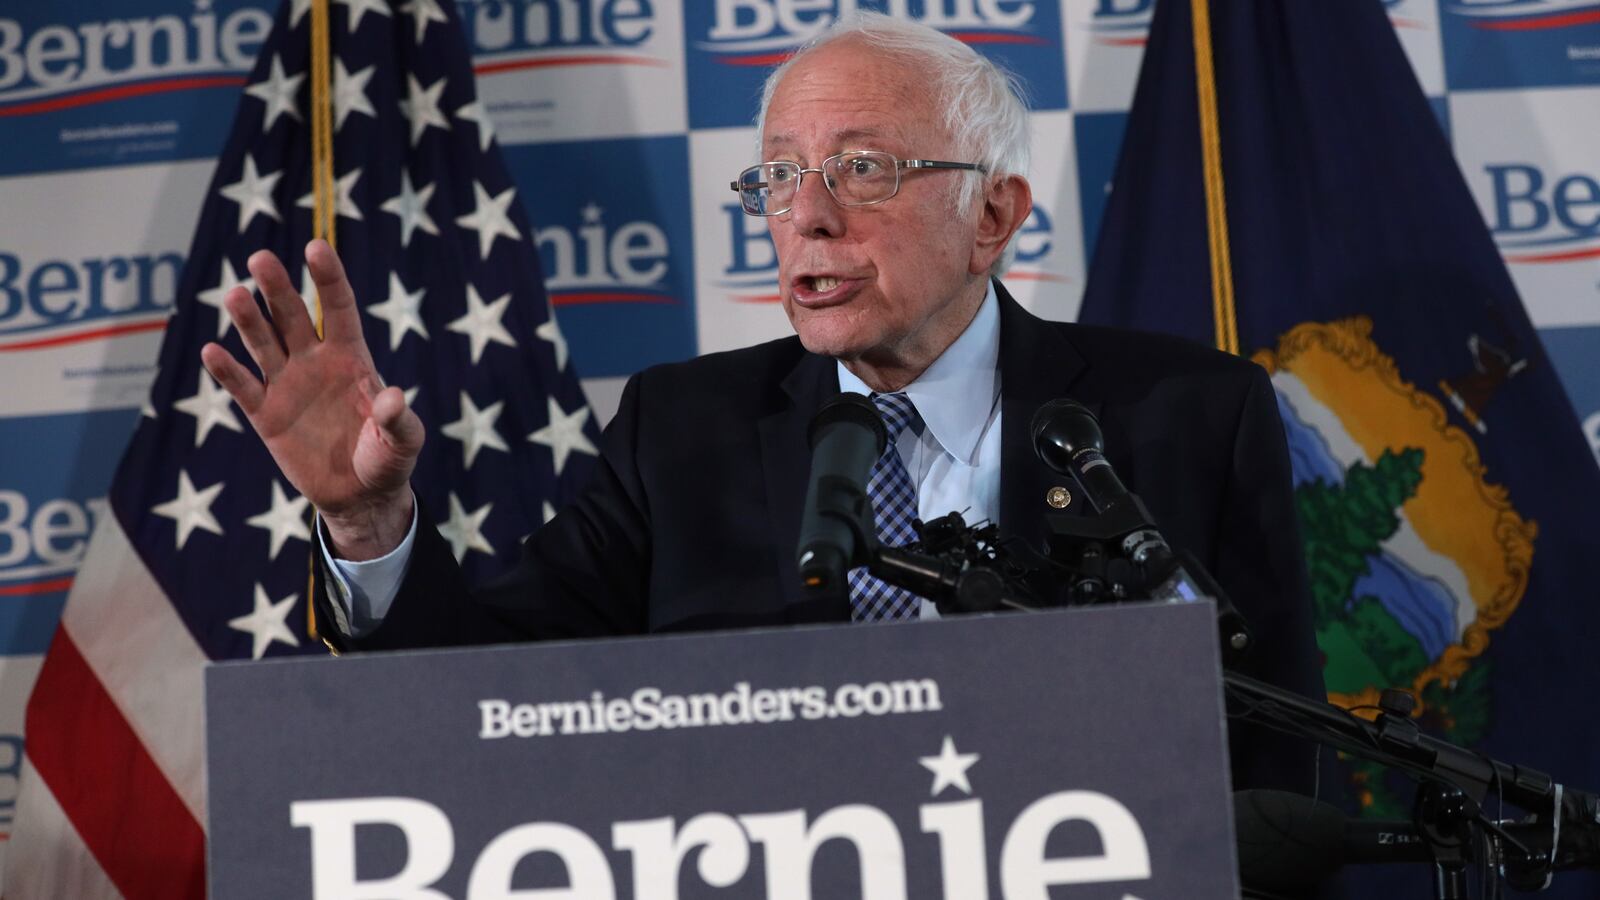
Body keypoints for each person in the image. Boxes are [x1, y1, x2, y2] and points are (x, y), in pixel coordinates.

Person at [201, 13, 1325, 796]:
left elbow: (1271, 755)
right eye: (780, 177)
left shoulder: (1190, 415)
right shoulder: (680, 431)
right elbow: (489, 690)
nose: (809, 217)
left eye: (864, 169)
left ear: (992, 216)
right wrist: (368, 524)